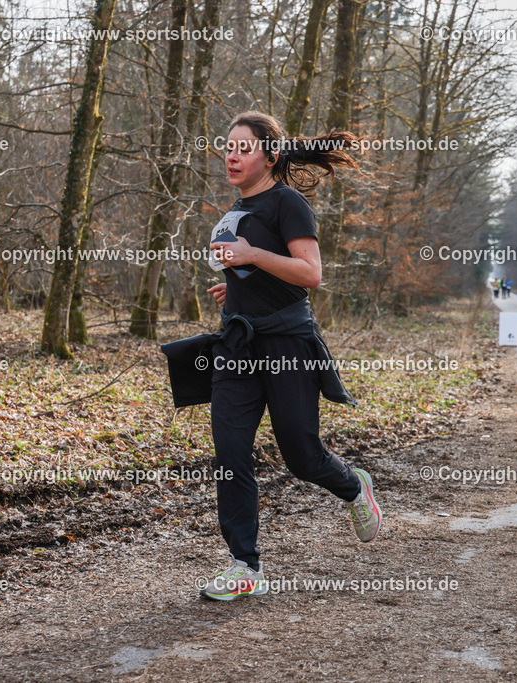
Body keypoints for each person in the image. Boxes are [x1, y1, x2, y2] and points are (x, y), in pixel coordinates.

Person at [197, 111, 381, 601]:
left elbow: (310, 274)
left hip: (287, 346)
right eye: (228, 146)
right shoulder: (234, 209)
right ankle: (244, 566)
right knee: (230, 455)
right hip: (237, 346)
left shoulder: (288, 203)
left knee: (301, 455)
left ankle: (352, 487)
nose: (232, 155)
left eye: (243, 147)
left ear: (270, 155)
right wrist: (234, 288)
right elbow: (254, 270)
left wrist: (253, 258)